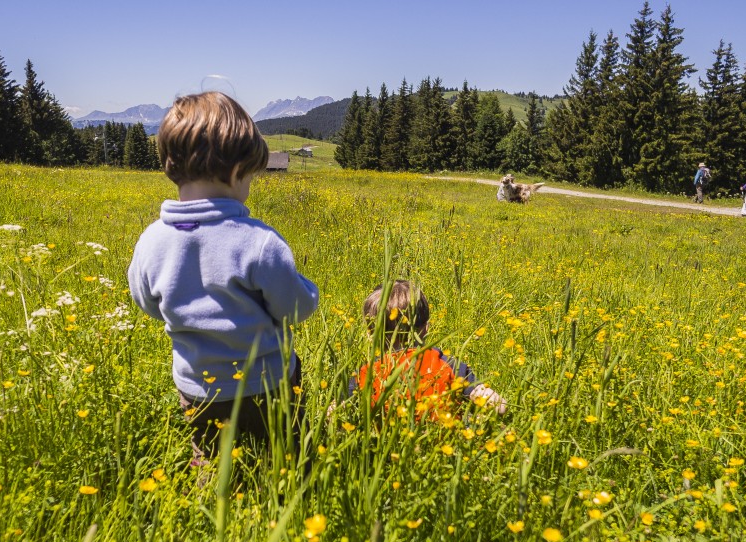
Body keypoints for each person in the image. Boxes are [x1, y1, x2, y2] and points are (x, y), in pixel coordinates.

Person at [127, 92, 320, 451]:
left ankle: (212, 496)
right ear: (235, 172)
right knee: (285, 448)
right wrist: (310, 292)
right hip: (267, 382)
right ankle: (292, 484)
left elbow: (147, 302)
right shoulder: (257, 241)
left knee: (210, 454)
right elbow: (294, 308)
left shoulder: (151, 241)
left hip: (198, 386)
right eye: (249, 177)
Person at [350, 280, 506, 422]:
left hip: (384, 447)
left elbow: (333, 412)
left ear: (371, 333)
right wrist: (476, 419)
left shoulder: (366, 374)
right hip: (446, 444)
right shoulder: (448, 365)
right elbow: (499, 406)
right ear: (426, 328)